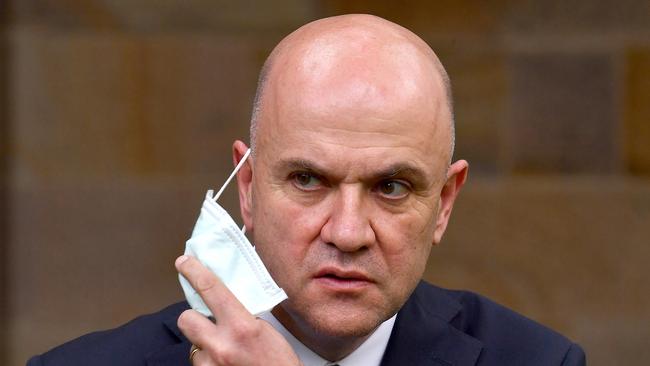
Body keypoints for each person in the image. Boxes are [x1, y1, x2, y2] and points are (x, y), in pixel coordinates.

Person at [27, 14, 586, 366]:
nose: (346, 233)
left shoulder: (537, 359)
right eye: (307, 180)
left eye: (391, 186)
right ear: (246, 190)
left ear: (443, 204)